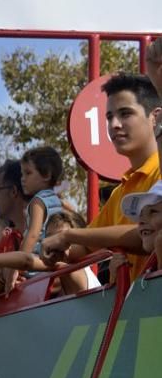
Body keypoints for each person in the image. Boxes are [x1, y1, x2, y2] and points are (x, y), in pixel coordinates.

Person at [42, 74, 161, 281]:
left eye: (125, 114)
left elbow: (144, 234)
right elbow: (88, 245)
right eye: (109, 117)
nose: (114, 124)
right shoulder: (120, 191)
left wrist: (69, 235)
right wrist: (56, 250)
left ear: (155, 117)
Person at [0, 210, 99, 296]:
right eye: (49, 237)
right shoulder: (56, 267)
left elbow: (27, 261)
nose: (54, 243)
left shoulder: (72, 269)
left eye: (62, 237)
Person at [19, 146, 64, 256]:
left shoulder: (38, 202)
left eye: (28, 173)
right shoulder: (57, 200)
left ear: (47, 175)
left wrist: (18, 261)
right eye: (22, 174)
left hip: (37, 263)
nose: (23, 178)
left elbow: (33, 234)